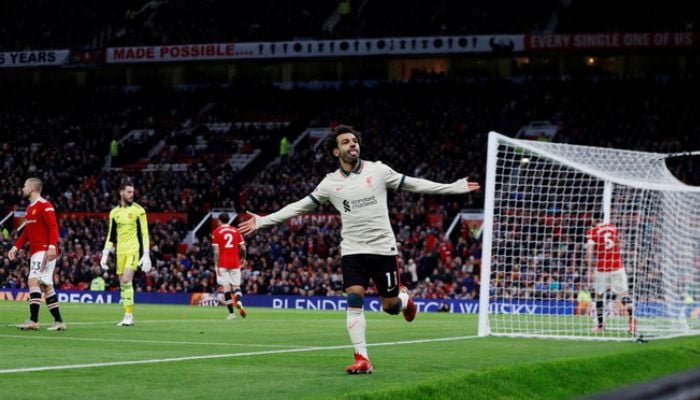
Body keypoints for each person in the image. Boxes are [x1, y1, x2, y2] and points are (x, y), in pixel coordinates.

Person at [240, 125, 480, 374]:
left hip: (383, 249)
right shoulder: (330, 183)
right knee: (354, 299)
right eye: (346, 142)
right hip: (353, 251)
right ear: (336, 151)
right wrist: (263, 220)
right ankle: (362, 359)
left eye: (354, 141)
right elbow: (299, 206)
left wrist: (453, 187)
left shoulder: (378, 170)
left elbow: (414, 184)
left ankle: (404, 298)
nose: (352, 144)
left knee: (390, 307)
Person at [8, 177, 66, 331]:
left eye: (25, 186)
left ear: (32, 188)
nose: (23, 188)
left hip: (44, 251)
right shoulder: (29, 209)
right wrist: (15, 247)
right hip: (38, 252)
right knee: (46, 286)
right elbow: (27, 232)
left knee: (32, 281)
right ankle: (59, 321)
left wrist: (52, 246)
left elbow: (53, 228)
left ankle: (33, 320)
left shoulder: (45, 206)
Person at [101, 180, 152, 326]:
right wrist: (104, 254)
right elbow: (111, 236)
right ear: (121, 192)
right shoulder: (114, 213)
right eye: (129, 192)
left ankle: (129, 315)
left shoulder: (139, 210)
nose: (131, 194)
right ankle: (127, 314)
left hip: (133, 251)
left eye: (132, 192)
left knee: (126, 280)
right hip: (120, 253)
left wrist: (146, 254)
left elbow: (145, 233)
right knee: (123, 285)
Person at [586, 217, 635, 333]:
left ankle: (600, 325)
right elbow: (618, 243)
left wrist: (589, 268)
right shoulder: (613, 228)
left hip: (602, 268)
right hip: (617, 266)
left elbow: (590, 252)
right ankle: (632, 322)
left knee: (599, 296)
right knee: (624, 295)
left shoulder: (592, 232)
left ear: (593, 219)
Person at [211, 212, 248, 319]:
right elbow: (243, 248)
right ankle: (239, 302)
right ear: (229, 220)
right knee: (237, 286)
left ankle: (231, 314)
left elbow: (216, 251)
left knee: (226, 288)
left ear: (219, 221)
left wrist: (216, 264)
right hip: (235, 262)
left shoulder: (216, 232)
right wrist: (243, 259)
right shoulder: (236, 231)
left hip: (222, 263)